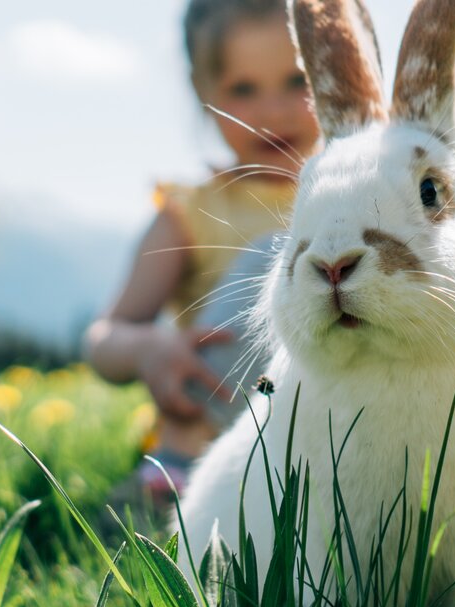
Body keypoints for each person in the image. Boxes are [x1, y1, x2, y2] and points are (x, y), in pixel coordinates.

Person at [84, 0, 321, 505]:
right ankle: (180, 475)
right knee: (275, 259)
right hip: (219, 435)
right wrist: (149, 349)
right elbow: (104, 338)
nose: (273, 111)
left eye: (298, 82)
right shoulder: (190, 212)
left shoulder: (360, 194)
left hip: (331, 432)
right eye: (243, 89)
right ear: (203, 92)